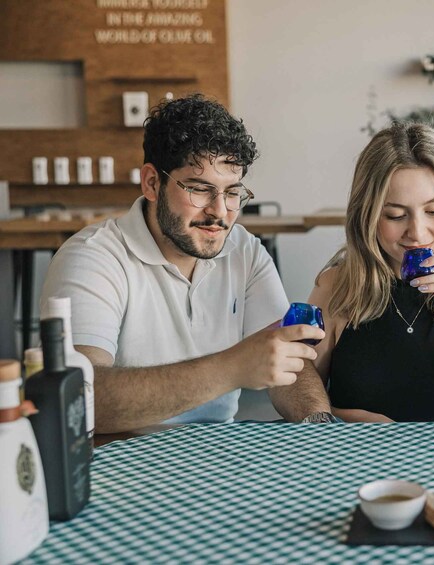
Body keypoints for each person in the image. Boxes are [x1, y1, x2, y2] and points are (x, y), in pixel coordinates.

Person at [40, 94, 334, 433]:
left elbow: (288, 362)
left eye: (232, 192)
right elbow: (77, 401)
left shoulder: (244, 251)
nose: (220, 211)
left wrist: (319, 425)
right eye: (199, 189)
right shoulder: (93, 257)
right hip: (119, 453)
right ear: (152, 183)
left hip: (215, 451)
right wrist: (232, 367)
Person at [294, 122, 434, 422]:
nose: (418, 232)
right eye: (395, 215)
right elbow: (299, 395)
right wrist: (346, 420)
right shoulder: (336, 286)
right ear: (367, 216)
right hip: (357, 449)